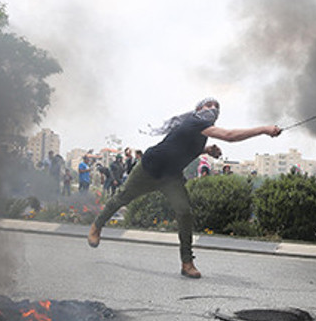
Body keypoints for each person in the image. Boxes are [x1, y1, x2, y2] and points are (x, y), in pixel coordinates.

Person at [88, 97, 282, 278]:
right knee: (122, 198)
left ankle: (187, 263)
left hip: (171, 176)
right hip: (149, 169)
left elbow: (184, 146)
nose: (213, 109)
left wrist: (207, 150)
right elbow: (229, 136)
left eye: (216, 108)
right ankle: (97, 226)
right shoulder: (194, 122)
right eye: (208, 105)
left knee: (184, 213)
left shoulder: (201, 131)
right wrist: (264, 129)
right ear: (198, 110)